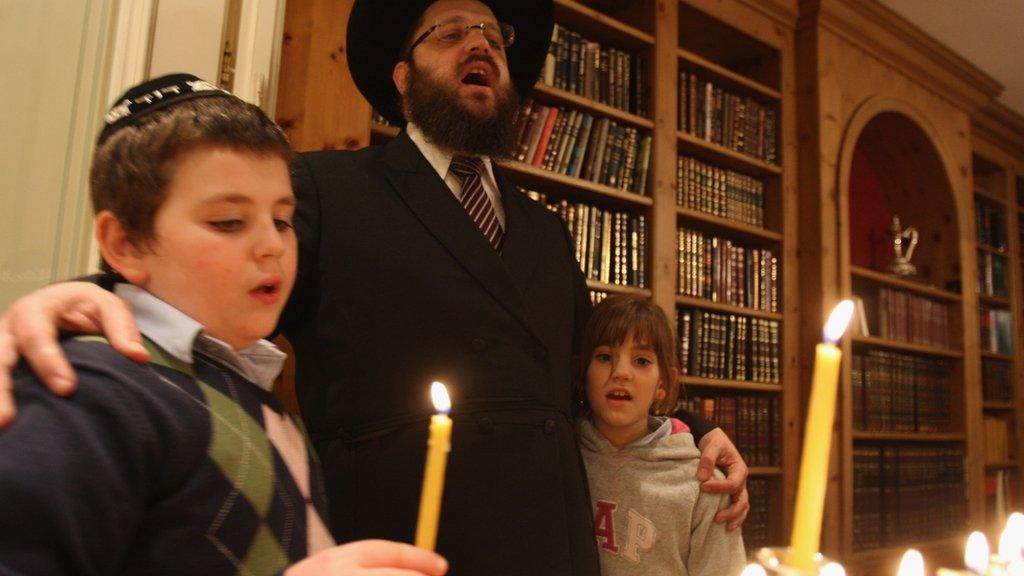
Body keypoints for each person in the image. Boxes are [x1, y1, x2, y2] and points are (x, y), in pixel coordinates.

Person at [0, 1, 749, 574]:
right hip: (403, 543)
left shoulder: (546, 230)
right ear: (402, 75)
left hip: (552, 545)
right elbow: (202, 296)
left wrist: (690, 430)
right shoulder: (326, 189)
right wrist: (77, 305)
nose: (481, 44)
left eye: (493, 34)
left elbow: (590, 376)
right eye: (452, 32)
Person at [0, 74, 447, 576]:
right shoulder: (87, 390)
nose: (272, 245)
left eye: (282, 220)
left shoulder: (263, 405)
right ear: (123, 243)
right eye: (229, 222)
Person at [576, 296, 746, 576]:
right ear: (582, 373)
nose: (620, 373)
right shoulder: (562, 459)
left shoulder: (703, 483)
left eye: (641, 361)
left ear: (662, 385)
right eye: (605, 357)